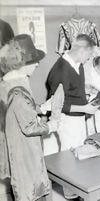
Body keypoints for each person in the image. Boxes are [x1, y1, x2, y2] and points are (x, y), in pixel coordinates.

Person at [0, 34, 58, 201]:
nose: (38, 63)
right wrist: (51, 126)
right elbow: (30, 126)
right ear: (21, 64)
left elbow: (20, 111)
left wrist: (41, 108)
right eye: (33, 61)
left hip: (15, 146)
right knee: (32, 189)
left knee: (24, 185)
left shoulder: (7, 83)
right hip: (25, 149)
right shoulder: (18, 90)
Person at [46, 33, 99, 199]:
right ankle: (70, 194)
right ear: (82, 51)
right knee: (69, 156)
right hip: (66, 119)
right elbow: (57, 104)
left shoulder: (78, 64)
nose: (89, 59)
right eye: (89, 55)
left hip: (78, 117)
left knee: (79, 153)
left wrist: (85, 90)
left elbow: (72, 88)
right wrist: (84, 107)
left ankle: (78, 188)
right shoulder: (60, 70)